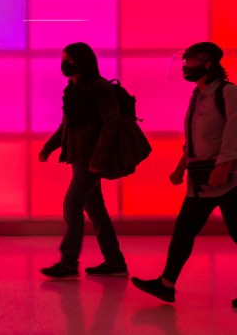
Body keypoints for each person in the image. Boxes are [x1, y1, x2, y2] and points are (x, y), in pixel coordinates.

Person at [132, 42, 237, 306]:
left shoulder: (228, 92)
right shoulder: (198, 95)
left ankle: (166, 283)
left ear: (208, 63)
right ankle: (166, 284)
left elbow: (234, 131)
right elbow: (195, 138)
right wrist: (181, 166)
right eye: (185, 61)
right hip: (201, 180)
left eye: (190, 62)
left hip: (228, 179)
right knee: (183, 231)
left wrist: (224, 165)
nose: (185, 67)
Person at [39, 42, 129, 279]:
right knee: (96, 211)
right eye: (63, 58)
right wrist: (50, 146)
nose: (64, 63)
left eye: (68, 59)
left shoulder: (99, 88)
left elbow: (111, 125)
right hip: (79, 157)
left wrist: (98, 159)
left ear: (82, 61)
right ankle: (115, 262)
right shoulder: (73, 88)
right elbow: (67, 125)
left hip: (91, 159)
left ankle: (68, 263)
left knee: (71, 206)